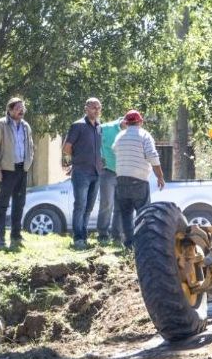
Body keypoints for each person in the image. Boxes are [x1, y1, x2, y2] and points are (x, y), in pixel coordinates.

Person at [112, 109, 165, 249]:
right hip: (139, 180)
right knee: (143, 213)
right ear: (140, 122)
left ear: (126, 123)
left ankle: (129, 244)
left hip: (121, 179)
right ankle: (142, 244)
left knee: (125, 214)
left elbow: (114, 151)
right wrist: (160, 176)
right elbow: (152, 156)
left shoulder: (120, 136)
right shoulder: (144, 135)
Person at [0, 96, 34, 249]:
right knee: (3, 204)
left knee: (19, 204)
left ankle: (16, 235)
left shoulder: (26, 126)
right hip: (6, 170)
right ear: (10, 110)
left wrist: (28, 163)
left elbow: (30, 147)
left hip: (22, 169)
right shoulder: (1, 124)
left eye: (23, 108)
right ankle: (0, 238)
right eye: (18, 108)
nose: (22, 111)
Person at [63, 97, 103, 250]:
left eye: (98, 107)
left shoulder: (100, 127)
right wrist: (78, 159)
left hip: (96, 172)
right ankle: (78, 237)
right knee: (80, 205)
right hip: (81, 172)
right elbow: (67, 148)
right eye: (93, 107)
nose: (96, 110)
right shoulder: (78, 125)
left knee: (89, 207)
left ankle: (84, 236)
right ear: (86, 108)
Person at [97, 115, 126, 244]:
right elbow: (94, 142)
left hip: (123, 174)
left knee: (120, 206)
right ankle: (103, 234)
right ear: (125, 121)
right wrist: (99, 157)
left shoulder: (132, 132)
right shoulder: (105, 128)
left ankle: (117, 236)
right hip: (108, 171)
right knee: (106, 204)